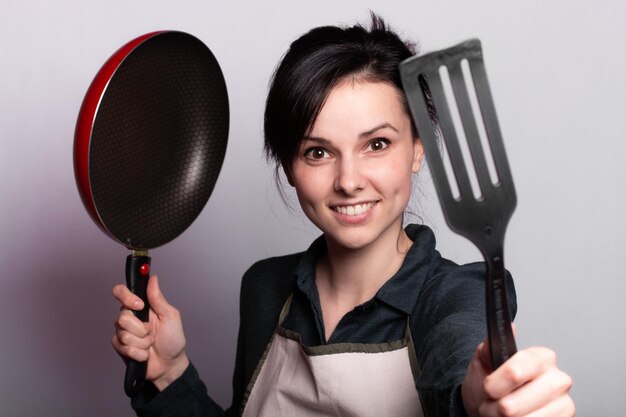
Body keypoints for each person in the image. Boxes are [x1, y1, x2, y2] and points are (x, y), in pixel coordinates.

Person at [112, 14, 575, 417]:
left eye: (377, 144)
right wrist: (172, 374)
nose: (349, 180)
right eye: (318, 152)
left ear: (417, 148)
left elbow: (460, 368)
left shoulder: (458, 295)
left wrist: (478, 402)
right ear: (289, 168)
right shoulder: (265, 288)